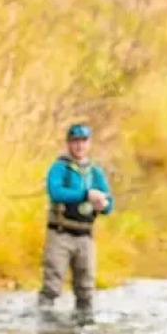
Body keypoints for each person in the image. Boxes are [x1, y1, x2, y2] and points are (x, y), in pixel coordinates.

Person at [39, 123, 114, 322]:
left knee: (86, 289)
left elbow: (109, 203)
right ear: (68, 144)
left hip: (85, 238)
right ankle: (45, 325)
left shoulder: (95, 172)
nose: (79, 146)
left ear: (89, 144)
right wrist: (86, 194)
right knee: (52, 286)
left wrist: (103, 204)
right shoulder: (59, 168)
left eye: (83, 141)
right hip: (60, 235)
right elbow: (56, 192)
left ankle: (84, 328)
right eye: (75, 142)